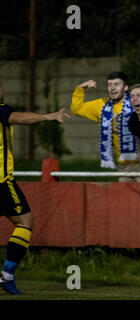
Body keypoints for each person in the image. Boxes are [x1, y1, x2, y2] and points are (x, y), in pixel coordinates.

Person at [0, 84, 70, 295]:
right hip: (1, 181)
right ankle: (7, 276)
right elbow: (19, 118)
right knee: (25, 222)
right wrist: (48, 116)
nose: (3, 87)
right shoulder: (1, 109)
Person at [70, 71, 140, 182]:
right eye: (110, 85)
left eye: (116, 84)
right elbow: (76, 108)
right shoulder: (102, 105)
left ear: (125, 87)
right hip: (124, 166)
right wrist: (81, 88)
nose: (112, 88)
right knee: (124, 197)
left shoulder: (137, 104)